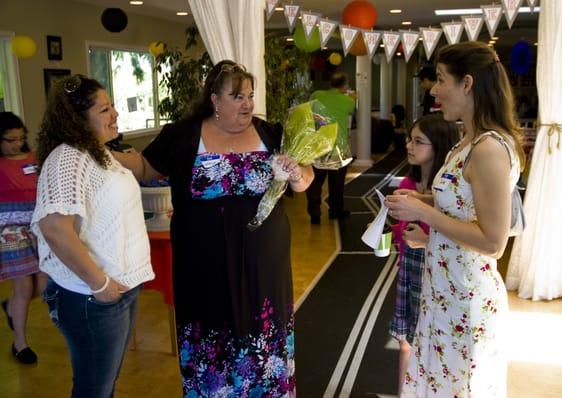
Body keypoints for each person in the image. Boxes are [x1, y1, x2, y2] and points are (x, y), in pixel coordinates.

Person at [111, 60, 312, 396]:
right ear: (215, 100)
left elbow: (305, 181)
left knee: (263, 326)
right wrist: (99, 153)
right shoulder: (184, 134)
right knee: (210, 329)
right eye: (237, 96)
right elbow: (145, 167)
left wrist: (296, 172)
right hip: (202, 262)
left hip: (265, 262)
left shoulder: (270, 133)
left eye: (250, 95)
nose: (247, 103)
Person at [385, 41, 524, 397]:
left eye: (441, 80)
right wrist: (421, 200)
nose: (434, 89)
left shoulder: (489, 149)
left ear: (467, 83)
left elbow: (493, 242)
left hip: (466, 300)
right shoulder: (467, 142)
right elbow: (463, 202)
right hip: (444, 292)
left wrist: (424, 212)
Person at [31, 75, 154, 397]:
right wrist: (100, 285)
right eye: (104, 110)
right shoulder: (68, 158)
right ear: (78, 118)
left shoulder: (97, 153)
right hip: (91, 295)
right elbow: (54, 227)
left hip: (116, 289)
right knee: (94, 390)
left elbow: (140, 170)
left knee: (103, 385)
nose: (115, 115)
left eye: (112, 106)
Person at [388, 114, 460, 397]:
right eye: (409, 139)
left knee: (434, 341)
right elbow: (404, 235)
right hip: (409, 268)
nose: (409, 145)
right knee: (406, 340)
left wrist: (426, 241)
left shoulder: (450, 194)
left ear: (439, 145)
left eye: (418, 141)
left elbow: (457, 242)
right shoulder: (407, 184)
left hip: (438, 271)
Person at [0, 112, 47, 364]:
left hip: (37, 226)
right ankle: (20, 343)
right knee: (24, 285)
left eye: (20, 139)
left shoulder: (34, 158)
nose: (16, 144)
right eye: (10, 140)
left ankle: (10, 306)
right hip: (8, 231)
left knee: (44, 280)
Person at [305, 72, 355, 224]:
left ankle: (315, 213)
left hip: (319, 145)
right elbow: (350, 112)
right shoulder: (348, 101)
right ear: (344, 85)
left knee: (315, 182)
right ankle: (335, 211)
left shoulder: (316, 95)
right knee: (337, 183)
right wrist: (350, 96)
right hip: (338, 147)